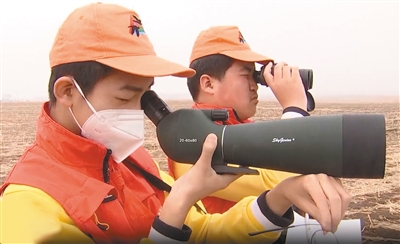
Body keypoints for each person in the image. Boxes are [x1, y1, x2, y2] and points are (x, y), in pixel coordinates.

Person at [0, 3, 351, 244]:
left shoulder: (134, 163)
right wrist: (178, 201)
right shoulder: (27, 206)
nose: (138, 112)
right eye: (125, 97)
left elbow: (203, 232)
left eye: (146, 97)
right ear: (67, 92)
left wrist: (277, 200)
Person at [168, 25, 312, 215]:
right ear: (208, 84)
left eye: (256, 76)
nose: (255, 86)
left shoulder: (240, 130)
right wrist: (294, 109)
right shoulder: (189, 141)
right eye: (246, 76)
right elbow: (279, 183)